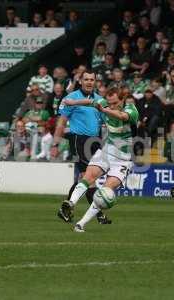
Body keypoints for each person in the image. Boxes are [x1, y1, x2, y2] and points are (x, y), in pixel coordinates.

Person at [59, 88, 138, 232]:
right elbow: (90, 101)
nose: (111, 105)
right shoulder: (104, 104)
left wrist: (104, 109)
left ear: (122, 100)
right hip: (106, 152)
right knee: (87, 177)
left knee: (106, 192)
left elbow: (123, 117)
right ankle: (70, 203)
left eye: (114, 103)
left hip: (123, 160)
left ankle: (80, 224)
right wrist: (72, 102)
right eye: (109, 103)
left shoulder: (131, 109)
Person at [52, 69, 111, 225]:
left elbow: (107, 122)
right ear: (81, 81)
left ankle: (64, 210)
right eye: (86, 79)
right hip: (78, 140)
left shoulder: (100, 100)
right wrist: (55, 143)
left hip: (96, 141)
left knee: (84, 178)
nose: (89, 82)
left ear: (95, 81)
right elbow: (62, 122)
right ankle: (99, 214)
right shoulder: (70, 98)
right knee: (88, 177)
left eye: (92, 79)